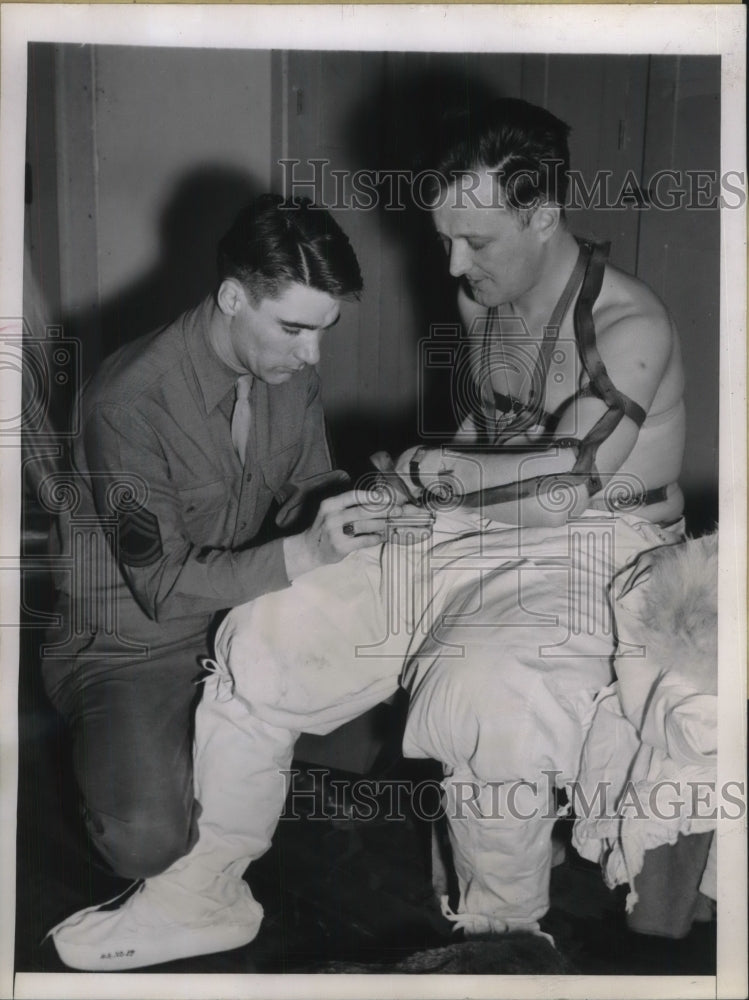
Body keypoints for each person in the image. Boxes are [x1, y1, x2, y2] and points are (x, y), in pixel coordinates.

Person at [50, 99, 687, 970]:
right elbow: (497, 431)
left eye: (477, 241)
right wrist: (401, 490)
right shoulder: (480, 301)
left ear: (541, 216)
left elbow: (565, 486)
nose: (454, 263)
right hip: (469, 527)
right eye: (445, 237)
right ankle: (204, 894)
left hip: (596, 544)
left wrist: (439, 472)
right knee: (267, 633)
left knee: (481, 692)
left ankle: (504, 939)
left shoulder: (629, 327)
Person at [44, 193, 397, 944]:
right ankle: (126, 761)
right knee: (147, 841)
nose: (311, 357)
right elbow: (164, 585)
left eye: (323, 331)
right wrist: (305, 553)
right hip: (128, 642)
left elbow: (306, 486)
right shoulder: (128, 402)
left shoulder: (286, 370)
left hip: (233, 610)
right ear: (233, 297)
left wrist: (373, 499)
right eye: (294, 329)